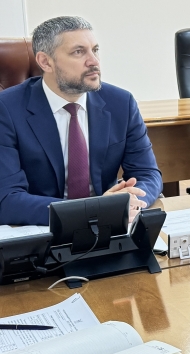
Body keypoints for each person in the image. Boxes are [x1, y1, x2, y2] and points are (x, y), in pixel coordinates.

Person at [0, 16, 162, 226]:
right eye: (78, 52)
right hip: (43, 230)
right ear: (45, 62)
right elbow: (7, 200)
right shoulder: (7, 109)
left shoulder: (121, 103)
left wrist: (129, 202)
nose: (93, 61)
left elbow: (148, 174)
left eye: (95, 50)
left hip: (109, 227)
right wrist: (94, 210)